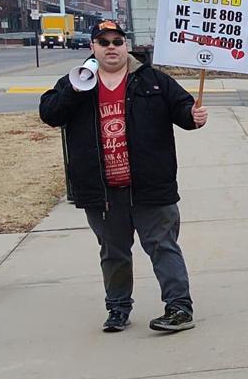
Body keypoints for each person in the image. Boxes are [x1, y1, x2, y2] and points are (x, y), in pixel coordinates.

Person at [38, 20, 208, 333]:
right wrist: (75, 90)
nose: (111, 47)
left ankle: (179, 308)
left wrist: (193, 116)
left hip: (150, 186)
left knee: (163, 247)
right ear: (93, 47)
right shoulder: (76, 83)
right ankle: (117, 309)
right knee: (113, 253)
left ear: (126, 45)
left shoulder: (152, 80)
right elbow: (50, 113)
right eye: (104, 42)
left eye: (117, 41)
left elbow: (183, 110)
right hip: (103, 191)